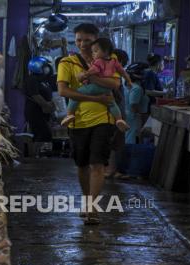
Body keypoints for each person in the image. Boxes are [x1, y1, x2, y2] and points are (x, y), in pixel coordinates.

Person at [57, 23, 120, 225]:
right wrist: (95, 98)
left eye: (87, 40)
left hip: (104, 119)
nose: (82, 44)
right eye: (78, 40)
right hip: (78, 121)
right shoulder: (67, 62)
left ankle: (93, 208)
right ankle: (86, 202)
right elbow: (63, 91)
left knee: (97, 164)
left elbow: (115, 84)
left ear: (96, 40)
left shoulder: (110, 60)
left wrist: (91, 76)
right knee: (82, 165)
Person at [61, 38, 132, 132]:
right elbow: (123, 73)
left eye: (95, 51)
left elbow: (92, 71)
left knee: (75, 95)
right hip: (107, 89)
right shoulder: (114, 61)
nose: (93, 54)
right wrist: (129, 82)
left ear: (105, 51)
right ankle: (119, 119)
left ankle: (70, 114)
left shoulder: (98, 61)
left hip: (95, 87)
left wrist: (83, 76)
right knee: (111, 103)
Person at [105, 49, 129, 178]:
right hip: (114, 114)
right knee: (113, 143)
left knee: (116, 142)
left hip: (117, 113)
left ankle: (112, 170)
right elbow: (115, 95)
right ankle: (110, 170)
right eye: (123, 62)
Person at [25, 57, 55, 156]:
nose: (47, 68)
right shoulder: (32, 79)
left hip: (44, 112)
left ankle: (44, 155)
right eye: (45, 66)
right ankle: (39, 156)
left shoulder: (43, 80)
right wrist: (47, 105)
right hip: (35, 112)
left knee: (45, 134)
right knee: (43, 134)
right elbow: (35, 95)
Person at [124, 63, 150, 144]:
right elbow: (133, 105)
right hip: (134, 117)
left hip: (129, 116)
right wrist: (140, 115)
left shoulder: (131, 86)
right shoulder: (136, 88)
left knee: (129, 137)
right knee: (132, 138)